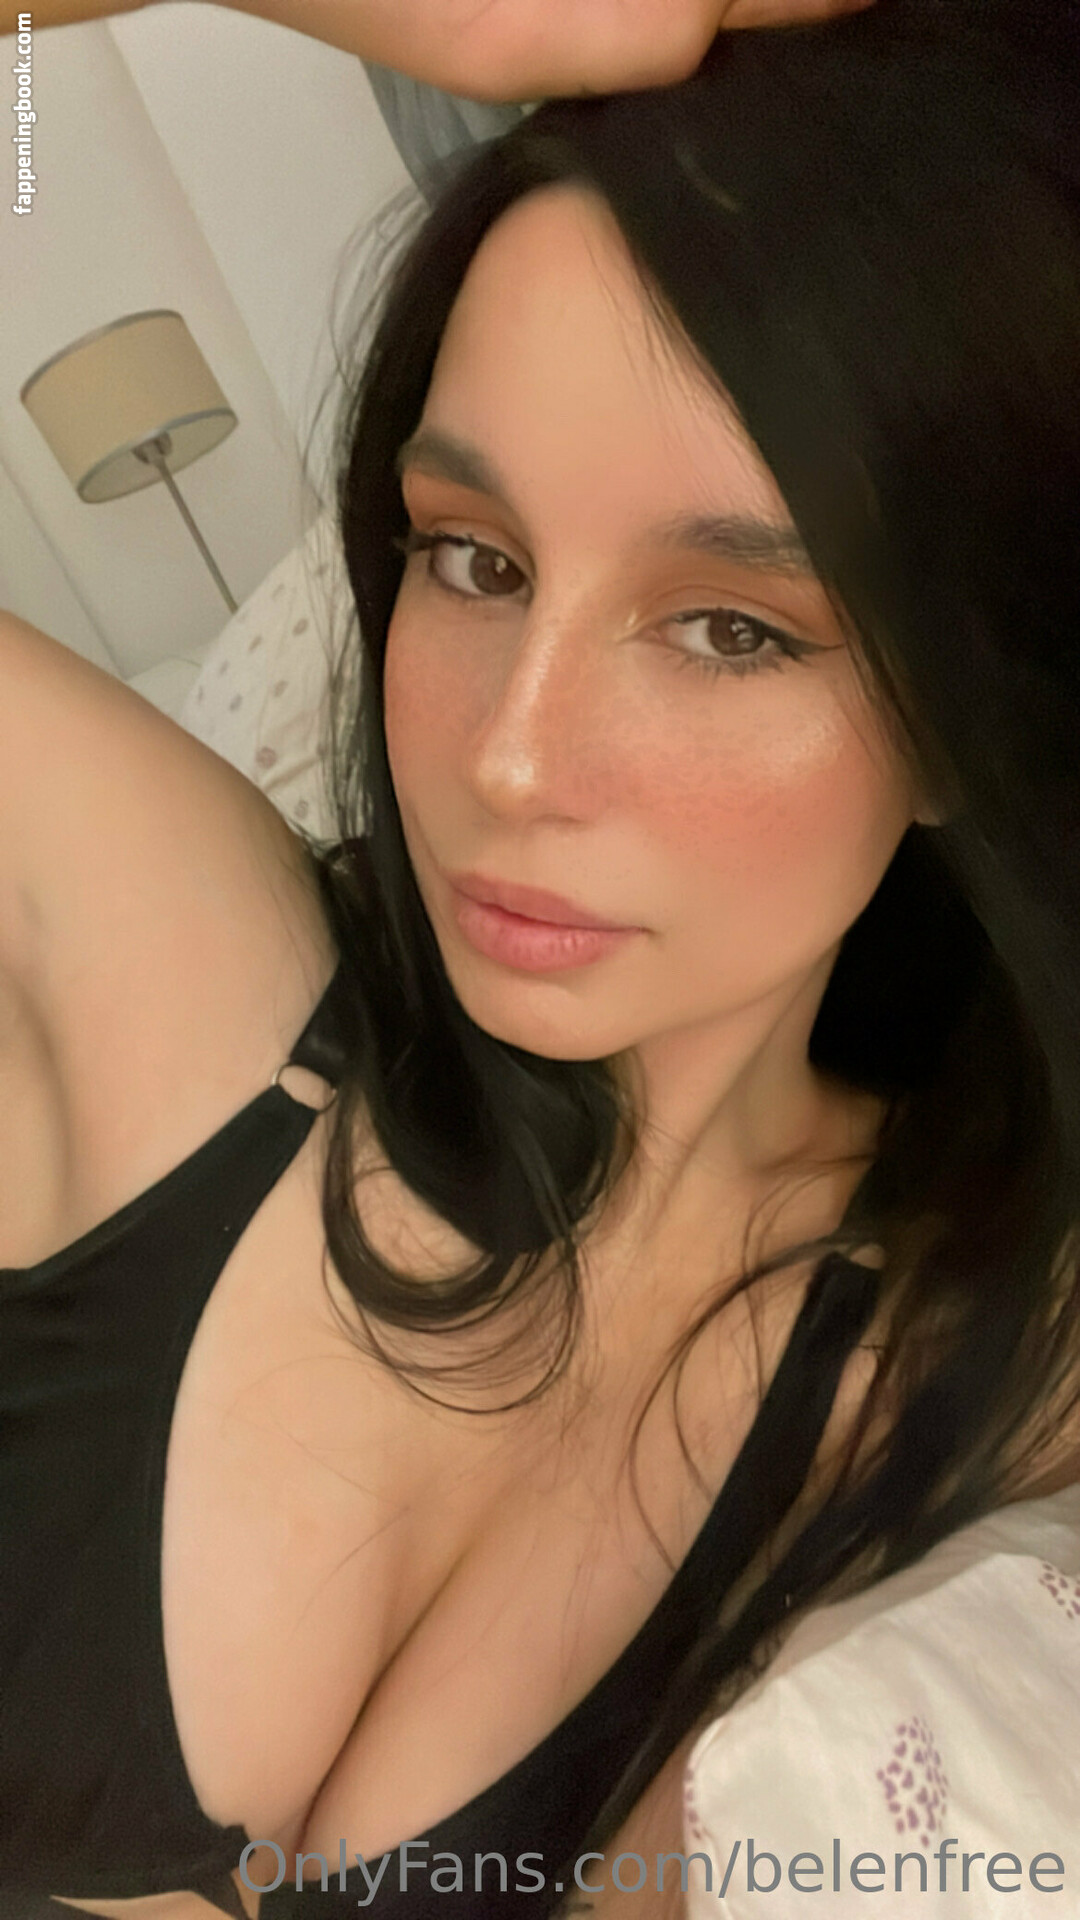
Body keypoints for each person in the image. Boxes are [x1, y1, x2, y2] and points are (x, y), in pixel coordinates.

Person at [3, 1, 1080, 1918]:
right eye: (474, 560)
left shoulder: (988, 1329)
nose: (508, 758)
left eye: (731, 627)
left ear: (964, 710)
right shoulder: (165, 951)